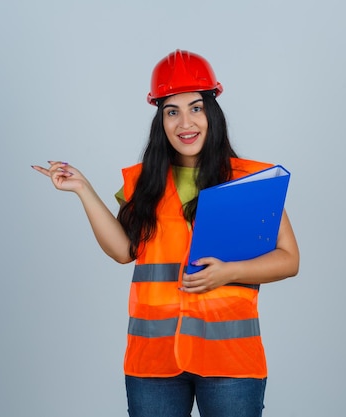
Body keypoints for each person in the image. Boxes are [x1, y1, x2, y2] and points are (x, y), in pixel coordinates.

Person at [32, 49, 299, 417]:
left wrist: (229, 272)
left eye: (195, 107)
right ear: (160, 119)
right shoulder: (144, 182)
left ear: (212, 113)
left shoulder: (249, 181)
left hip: (229, 358)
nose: (184, 122)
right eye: (172, 111)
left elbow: (289, 259)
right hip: (153, 360)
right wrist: (83, 189)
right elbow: (124, 251)